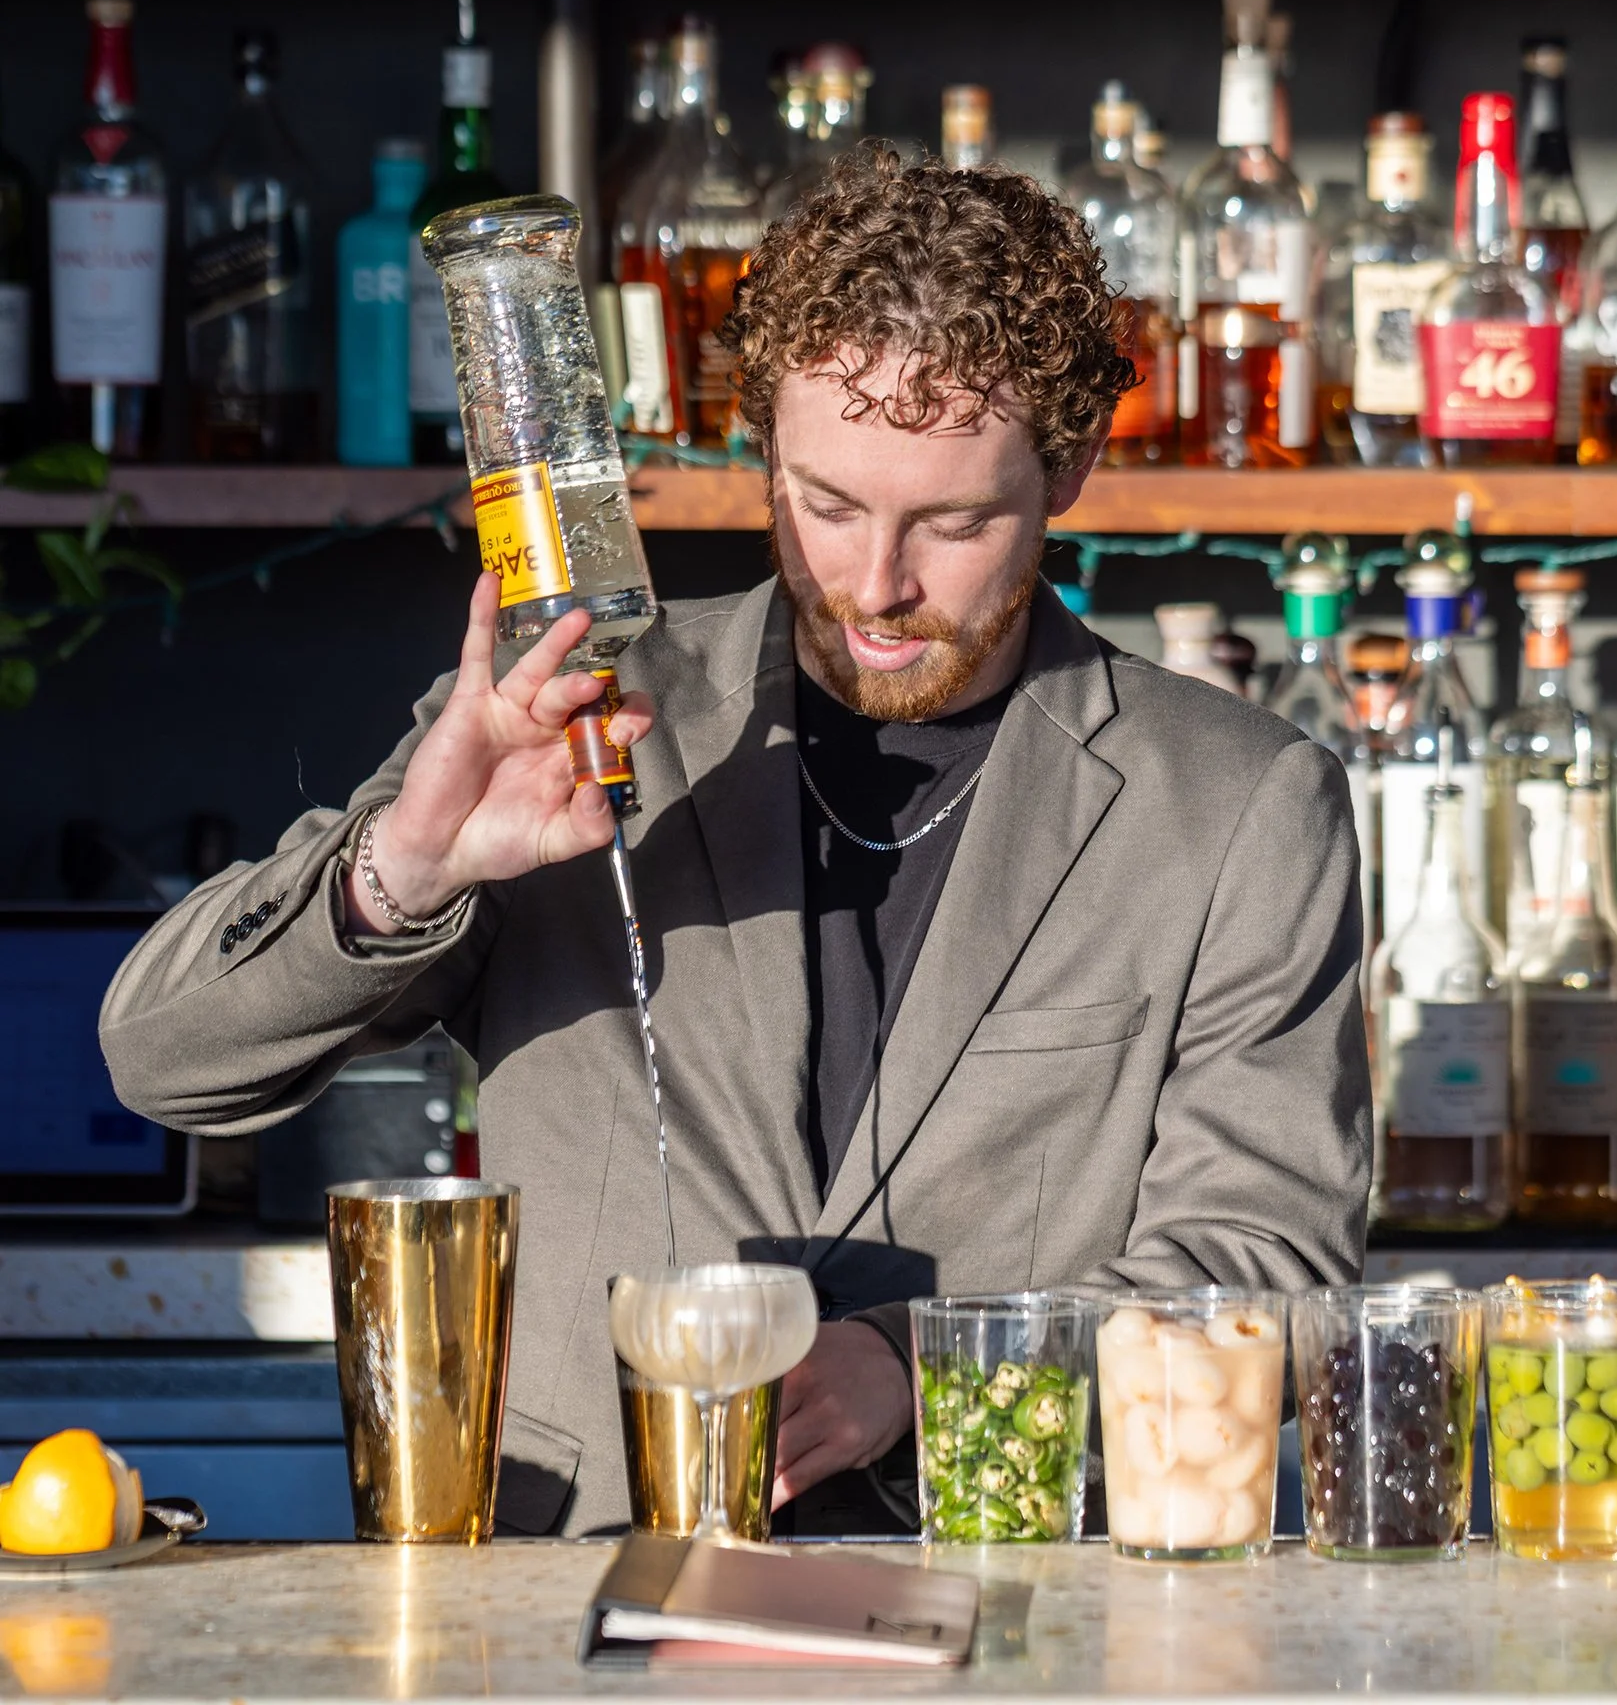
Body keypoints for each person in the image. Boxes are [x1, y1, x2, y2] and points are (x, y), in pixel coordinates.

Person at [101, 146, 1371, 1536]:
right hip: (574, 1608)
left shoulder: (1240, 807)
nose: (876, 588)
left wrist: (908, 1367)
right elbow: (164, 1063)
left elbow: (1268, 1271)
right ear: (760, 441)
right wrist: (403, 869)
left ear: (1068, 472)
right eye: (825, 507)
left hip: (1019, 1619)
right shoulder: (581, 712)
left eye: (953, 523)